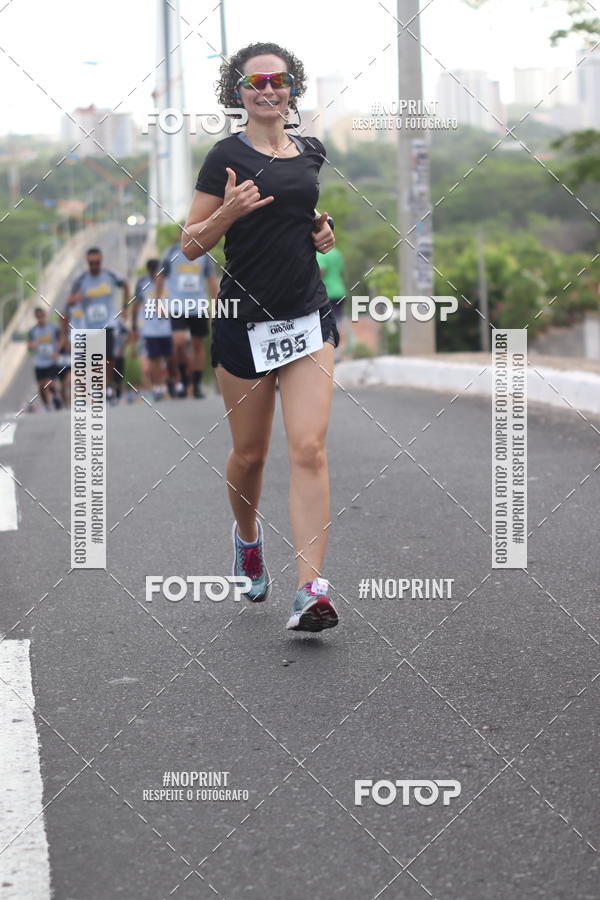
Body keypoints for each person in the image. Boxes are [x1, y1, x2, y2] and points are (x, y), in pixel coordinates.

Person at [182, 42, 339, 632]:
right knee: (251, 456)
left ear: (292, 88)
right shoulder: (224, 156)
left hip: (306, 318)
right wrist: (229, 212)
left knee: (309, 449)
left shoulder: (311, 151)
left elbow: (305, 215)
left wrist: (322, 230)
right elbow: (191, 242)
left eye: (278, 80)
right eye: (255, 82)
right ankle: (247, 538)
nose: (267, 89)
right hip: (244, 325)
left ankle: (310, 589)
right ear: (238, 92)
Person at [155, 235, 219, 398]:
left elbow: (211, 280)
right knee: (178, 342)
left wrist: (216, 306)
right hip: (177, 306)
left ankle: (196, 385)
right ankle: (183, 380)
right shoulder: (170, 253)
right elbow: (160, 278)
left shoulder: (204, 254)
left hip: (198, 306)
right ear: (180, 236)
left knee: (198, 345)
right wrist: (158, 303)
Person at [66, 247, 129, 400]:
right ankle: (99, 386)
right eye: (91, 263)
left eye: (97, 263)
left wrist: (125, 307)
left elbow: (125, 285)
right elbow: (69, 301)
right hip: (89, 326)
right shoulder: (80, 280)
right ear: (87, 262)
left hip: (108, 323)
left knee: (109, 357)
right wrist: (76, 299)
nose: (94, 266)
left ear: (101, 261)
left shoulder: (109, 275)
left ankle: (107, 386)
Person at [136, 258, 173, 401]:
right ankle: (159, 387)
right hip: (150, 329)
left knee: (170, 359)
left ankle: (172, 382)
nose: (154, 274)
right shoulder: (142, 283)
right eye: (152, 271)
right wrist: (135, 326)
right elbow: (137, 304)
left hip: (167, 328)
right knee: (155, 359)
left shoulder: (168, 282)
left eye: (156, 271)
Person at [27, 307, 62, 410]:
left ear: (45, 316)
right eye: (38, 317)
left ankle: (56, 396)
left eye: (41, 316)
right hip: (39, 362)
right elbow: (29, 346)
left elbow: (61, 339)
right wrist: (30, 345)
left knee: (49, 383)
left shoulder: (53, 328)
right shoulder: (33, 331)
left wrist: (57, 351)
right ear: (36, 318)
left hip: (51, 361)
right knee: (41, 386)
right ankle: (47, 405)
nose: (40, 318)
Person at [316, 245, 347, 357]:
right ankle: (339, 353)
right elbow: (340, 271)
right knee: (339, 322)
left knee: (326, 324)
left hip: (327, 293)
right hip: (339, 291)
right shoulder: (336, 252)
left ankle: (330, 355)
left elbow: (321, 270)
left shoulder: (320, 253)